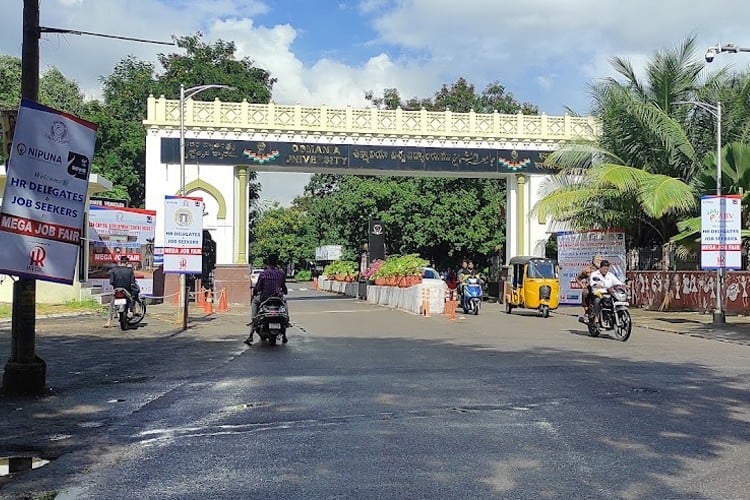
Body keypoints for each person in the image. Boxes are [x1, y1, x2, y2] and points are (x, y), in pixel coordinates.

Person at [246, 254, 288, 345]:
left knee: (254, 303)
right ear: (277, 262)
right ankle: (286, 328)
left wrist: (255, 293)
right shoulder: (281, 273)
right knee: (284, 303)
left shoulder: (263, 274)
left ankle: (251, 332)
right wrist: (284, 291)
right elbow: (284, 288)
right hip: (278, 298)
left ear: (267, 262)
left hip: (264, 298)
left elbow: (258, 288)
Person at [577, 255, 603, 320]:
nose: (600, 262)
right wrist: (582, 286)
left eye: (601, 260)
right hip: (591, 288)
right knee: (585, 292)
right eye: (598, 260)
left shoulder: (604, 269)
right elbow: (578, 278)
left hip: (602, 288)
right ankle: (586, 312)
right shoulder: (588, 269)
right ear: (594, 261)